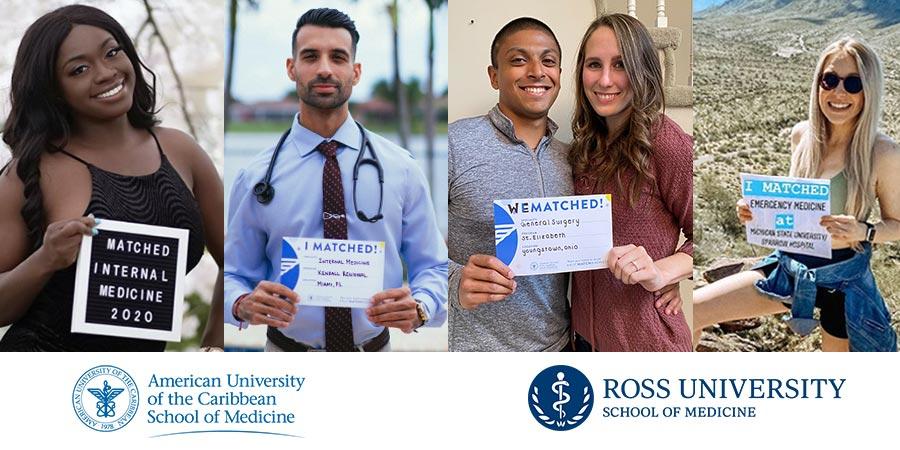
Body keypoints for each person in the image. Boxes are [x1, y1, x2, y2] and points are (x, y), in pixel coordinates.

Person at [0, 5, 224, 351]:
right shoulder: (32, 171)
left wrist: (215, 342)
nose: (105, 73)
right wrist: (45, 259)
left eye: (112, 52)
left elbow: (239, 259)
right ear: (53, 89)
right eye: (79, 69)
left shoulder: (182, 151)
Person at [224, 8, 447, 352]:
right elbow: (233, 273)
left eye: (338, 57)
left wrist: (420, 308)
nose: (325, 68)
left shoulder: (402, 169)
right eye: (310, 56)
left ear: (355, 72)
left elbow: (432, 266)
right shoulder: (255, 177)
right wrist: (241, 303)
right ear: (291, 68)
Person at [693, 36, 900, 352]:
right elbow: (797, 209)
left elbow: (897, 224)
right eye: (829, 80)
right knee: (689, 311)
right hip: (790, 268)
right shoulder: (802, 135)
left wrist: (864, 230)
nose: (838, 92)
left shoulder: (883, 152)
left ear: (868, 90)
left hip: (843, 280)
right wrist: (758, 211)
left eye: (853, 83)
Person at [569, 14, 693, 352]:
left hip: (647, 348)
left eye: (620, 65)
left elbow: (702, 237)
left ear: (643, 71)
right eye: (594, 64)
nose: (605, 80)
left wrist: (664, 272)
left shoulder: (668, 143)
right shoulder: (584, 147)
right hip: (583, 343)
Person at [448, 17, 572, 352]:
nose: (536, 71)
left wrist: (665, 276)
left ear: (559, 75)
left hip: (559, 351)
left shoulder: (575, 159)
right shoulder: (454, 144)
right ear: (494, 76)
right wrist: (454, 282)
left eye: (549, 61)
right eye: (519, 60)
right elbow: (403, 239)